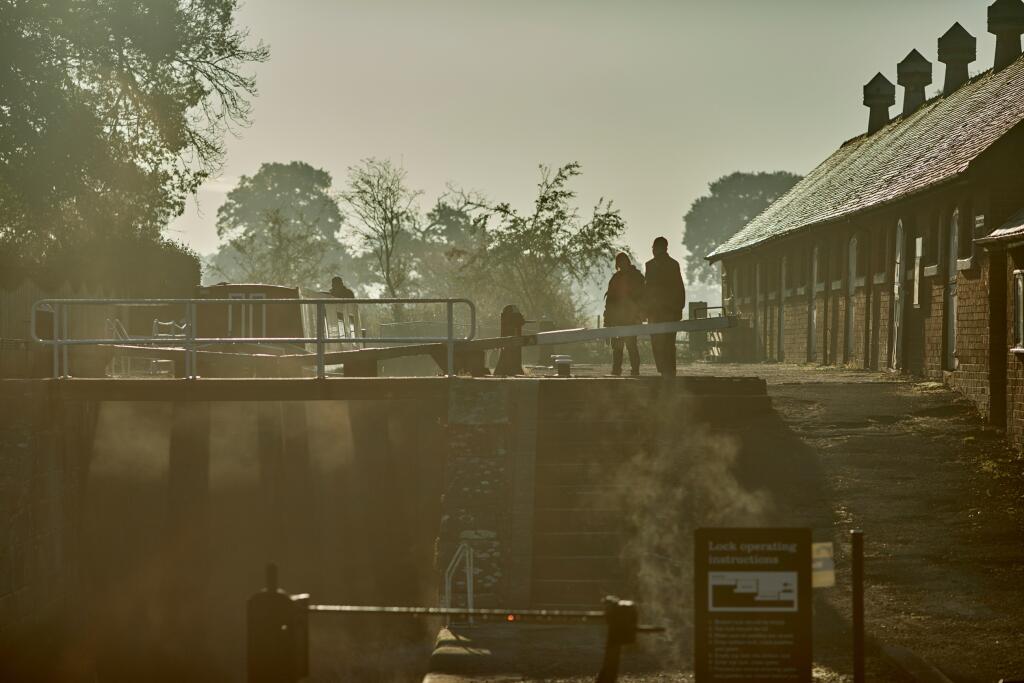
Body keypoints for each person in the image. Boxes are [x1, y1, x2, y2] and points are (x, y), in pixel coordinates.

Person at [644, 236, 686, 377]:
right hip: (663, 312)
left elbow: (647, 290)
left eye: (654, 247)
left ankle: (666, 370)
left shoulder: (660, 265)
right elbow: (679, 288)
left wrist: (678, 307)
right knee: (664, 342)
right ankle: (667, 370)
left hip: (663, 312)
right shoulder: (668, 264)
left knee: (662, 342)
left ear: (660, 248)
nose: (653, 250)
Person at [603, 252, 645, 376]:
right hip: (617, 319)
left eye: (623, 262)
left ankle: (634, 371)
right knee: (617, 347)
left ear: (626, 262)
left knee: (631, 346)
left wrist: (639, 316)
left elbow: (642, 298)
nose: (621, 265)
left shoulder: (636, 277)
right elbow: (610, 301)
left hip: (631, 318)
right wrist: (608, 320)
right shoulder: (616, 279)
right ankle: (617, 370)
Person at [494, 304, 527, 376]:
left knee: (507, 352)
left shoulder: (506, 318)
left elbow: (521, 321)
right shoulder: (512, 320)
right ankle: (510, 369)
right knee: (509, 353)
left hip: (509, 342)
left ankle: (505, 369)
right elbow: (521, 321)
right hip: (511, 342)